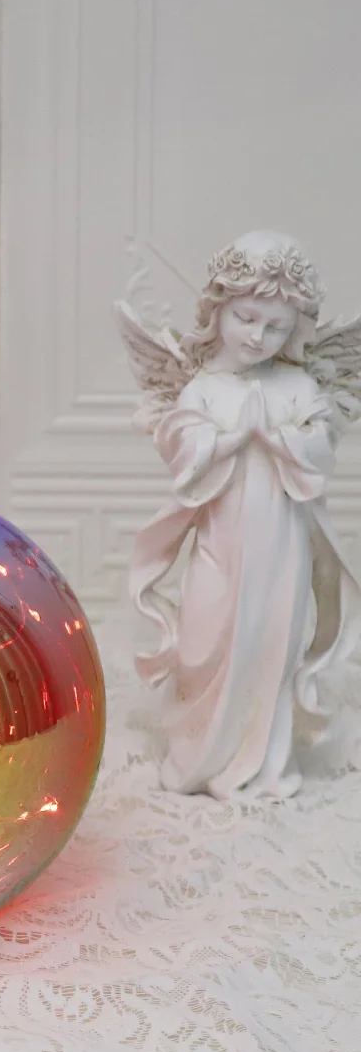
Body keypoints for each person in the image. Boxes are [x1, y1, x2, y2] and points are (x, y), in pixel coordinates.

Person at [123, 232, 361, 798]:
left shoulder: (298, 385)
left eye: (276, 327)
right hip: (220, 543)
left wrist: (275, 435)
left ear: (295, 330)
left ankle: (265, 763)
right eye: (246, 318)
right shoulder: (204, 388)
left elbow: (320, 449)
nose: (258, 336)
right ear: (218, 311)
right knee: (204, 642)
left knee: (269, 648)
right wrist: (236, 436)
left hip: (283, 549)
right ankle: (197, 755)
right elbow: (183, 451)